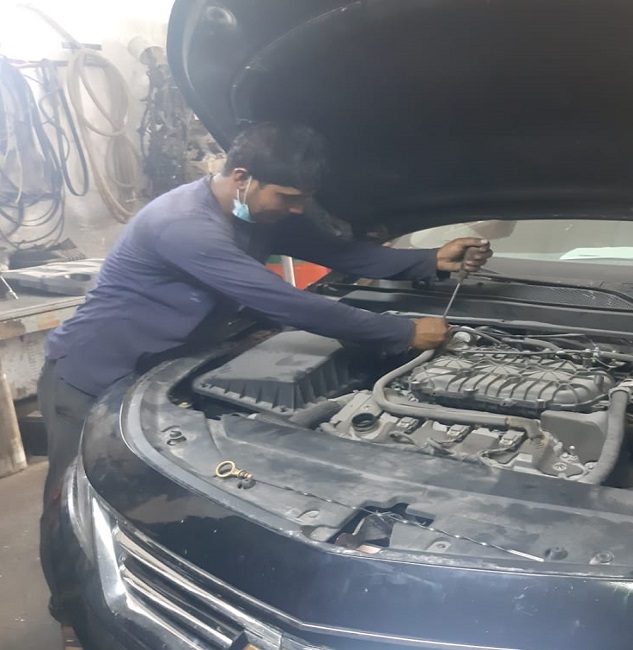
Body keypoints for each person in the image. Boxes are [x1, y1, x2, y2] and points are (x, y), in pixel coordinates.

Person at [37, 122, 491, 616]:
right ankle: (70, 612)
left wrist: (430, 259)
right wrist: (402, 333)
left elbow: (341, 253)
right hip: (92, 373)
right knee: (75, 504)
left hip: (165, 371)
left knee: (159, 496)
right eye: (289, 198)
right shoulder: (183, 224)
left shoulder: (262, 211)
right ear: (241, 178)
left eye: (303, 200)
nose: (296, 210)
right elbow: (285, 302)